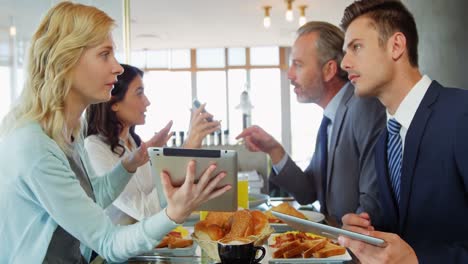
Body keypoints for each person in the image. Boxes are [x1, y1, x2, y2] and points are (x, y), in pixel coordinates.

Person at [0, 2, 231, 263]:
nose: (118, 67)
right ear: (66, 60)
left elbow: (93, 197)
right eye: (104, 54)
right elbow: (108, 242)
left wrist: (130, 164)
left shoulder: (69, 131)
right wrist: (174, 213)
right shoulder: (34, 146)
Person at [338, 0, 468, 262]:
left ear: (396, 46)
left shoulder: (461, 113)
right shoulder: (384, 140)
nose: (344, 63)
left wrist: (418, 259)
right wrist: (366, 233)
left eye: (356, 47)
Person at [236, 21, 385, 225]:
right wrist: (274, 150)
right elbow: (307, 193)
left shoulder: (363, 107)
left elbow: (372, 206)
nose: (289, 75)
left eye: (298, 64)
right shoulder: (329, 119)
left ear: (329, 70)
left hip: (355, 249)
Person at [85, 64, 221, 225]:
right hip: (118, 247)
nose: (147, 102)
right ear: (114, 103)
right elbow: (144, 211)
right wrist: (187, 149)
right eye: (139, 93)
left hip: (147, 243)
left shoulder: (134, 143)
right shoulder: (94, 148)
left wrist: (187, 150)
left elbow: (157, 195)